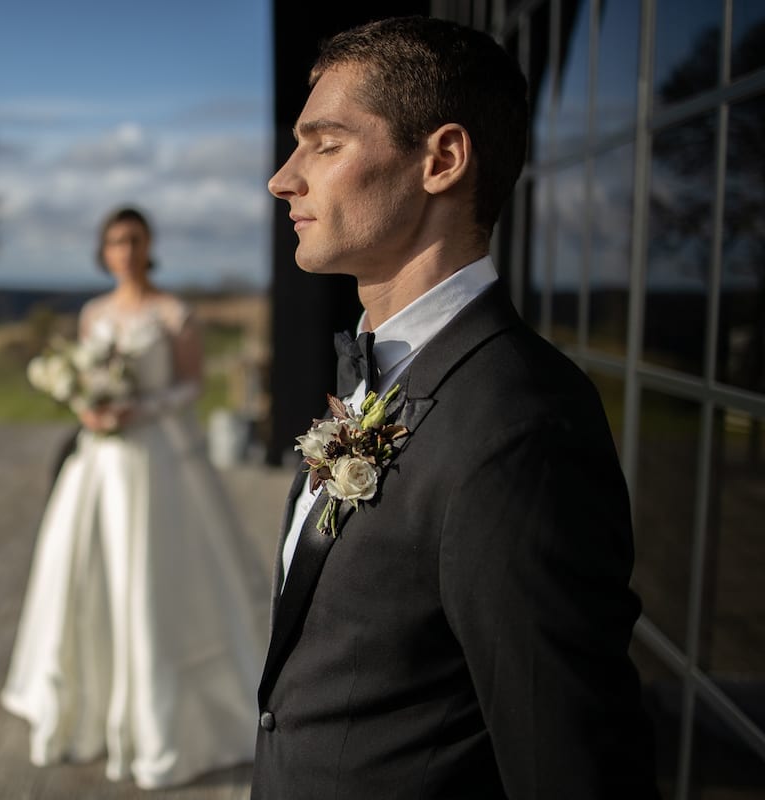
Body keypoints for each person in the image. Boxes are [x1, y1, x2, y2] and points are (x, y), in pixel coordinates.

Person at [253, 16, 659, 799]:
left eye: (325, 143)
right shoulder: (384, 374)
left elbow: (571, 763)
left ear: (441, 159)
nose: (283, 178)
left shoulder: (520, 428)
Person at [2, 206, 269, 790]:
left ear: (150, 247)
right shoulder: (93, 313)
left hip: (155, 462)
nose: (125, 249)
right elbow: (80, 375)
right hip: (99, 462)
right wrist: (86, 406)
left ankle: (171, 712)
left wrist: (138, 409)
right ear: (105, 251)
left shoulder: (176, 314)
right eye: (116, 240)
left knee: (153, 577)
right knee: (87, 575)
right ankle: (86, 704)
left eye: (135, 239)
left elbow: (191, 385)